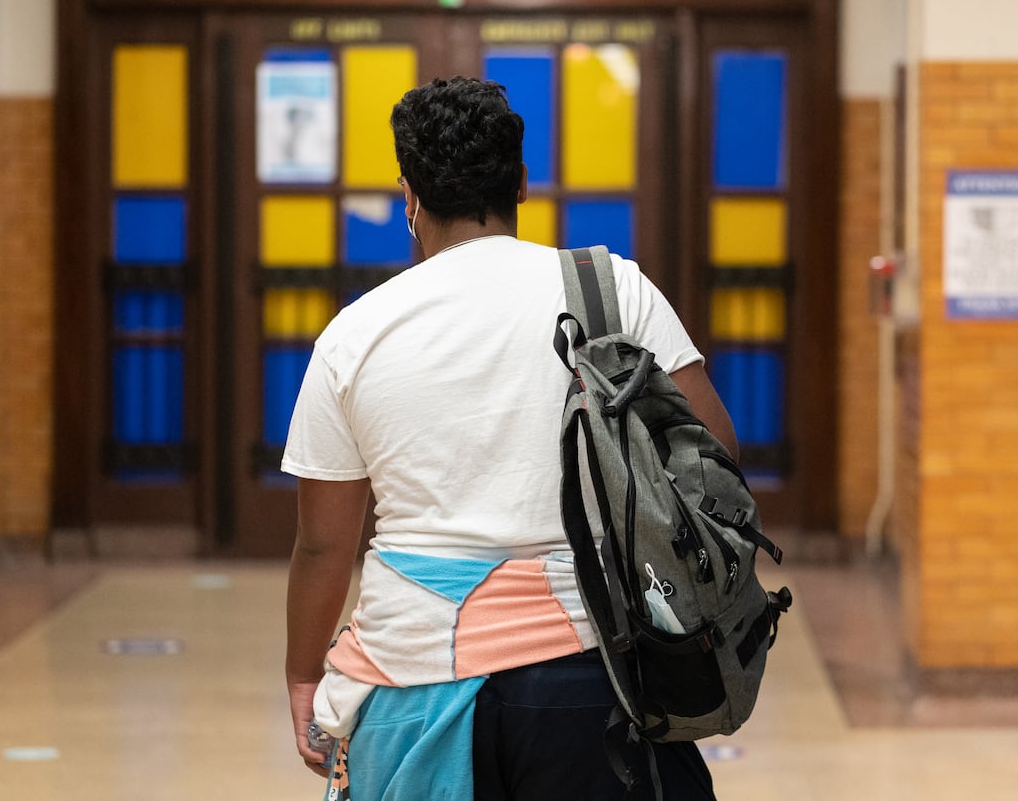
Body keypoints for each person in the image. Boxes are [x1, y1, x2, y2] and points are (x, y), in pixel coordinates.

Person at [282, 76, 736, 800]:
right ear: (522, 182)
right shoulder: (610, 290)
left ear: (411, 197)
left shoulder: (356, 334)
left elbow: (324, 544)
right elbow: (714, 454)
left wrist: (305, 674)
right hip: (595, 668)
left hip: (410, 677)